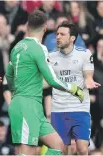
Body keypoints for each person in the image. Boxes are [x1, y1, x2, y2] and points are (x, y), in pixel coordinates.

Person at [5, 10, 85, 155]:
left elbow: (9, 76)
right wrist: (74, 89)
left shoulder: (16, 47)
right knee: (27, 152)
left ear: (28, 27)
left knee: (58, 145)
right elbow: (52, 79)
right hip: (26, 106)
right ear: (45, 28)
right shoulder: (39, 48)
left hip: (33, 106)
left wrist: (16, 91)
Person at [49, 21, 101, 155]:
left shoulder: (84, 53)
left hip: (79, 107)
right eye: (57, 34)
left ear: (72, 38)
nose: (58, 37)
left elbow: (88, 75)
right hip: (58, 109)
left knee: (83, 149)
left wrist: (89, 81)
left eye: (62, 34)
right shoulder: (50, 57)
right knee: (62, 149)